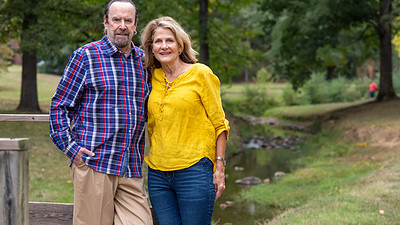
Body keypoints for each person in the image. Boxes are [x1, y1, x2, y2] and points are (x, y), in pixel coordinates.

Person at [49, 1, 153, 224]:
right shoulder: (85, 56)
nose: (122, 26)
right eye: (116, 20)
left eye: (128, 20)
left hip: (130, 166)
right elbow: (59, 106)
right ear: (106, 23)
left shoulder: (145, 62)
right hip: (95, 164)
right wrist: (72, 149)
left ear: (135, 25)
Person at [141, 16, 230, 225]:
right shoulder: (149, 77)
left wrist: (220, 169)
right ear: (151, 48)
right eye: (158, 41)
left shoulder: (200, 74)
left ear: (180, 45)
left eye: (169, 41)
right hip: (158, 174)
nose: (164, 46)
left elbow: (220, 124)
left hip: (194, 171)